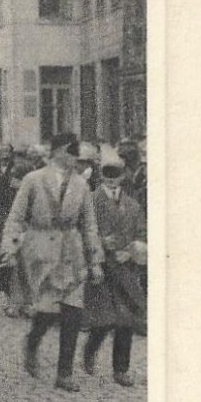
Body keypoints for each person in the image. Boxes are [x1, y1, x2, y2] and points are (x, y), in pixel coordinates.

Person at [0, 132, 104, 391]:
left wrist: (95, 260)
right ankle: (32, 343)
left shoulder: (81, 185)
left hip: (71, 252)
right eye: (71, 152)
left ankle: (64, 373)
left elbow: (89, 224)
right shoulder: (32, 180)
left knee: (73, 311)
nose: (75, 158)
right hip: (39, 250)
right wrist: (9, 248)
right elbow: (16, 217)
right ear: (57, 151)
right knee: (46, 310)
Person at [82, 147, 147, 386]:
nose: (111, 179)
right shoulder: (91, 201)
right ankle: (90, 350)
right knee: (105, 318)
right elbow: (83, 232)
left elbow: (142, 232)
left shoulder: (132, 205)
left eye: (115, 174)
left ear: (122, 176)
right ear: (100, 175)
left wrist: (130, 250)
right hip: (101, 267)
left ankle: (121, 369)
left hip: (125, 267)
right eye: (106, 174)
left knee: (126, 319)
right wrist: (100, 243)